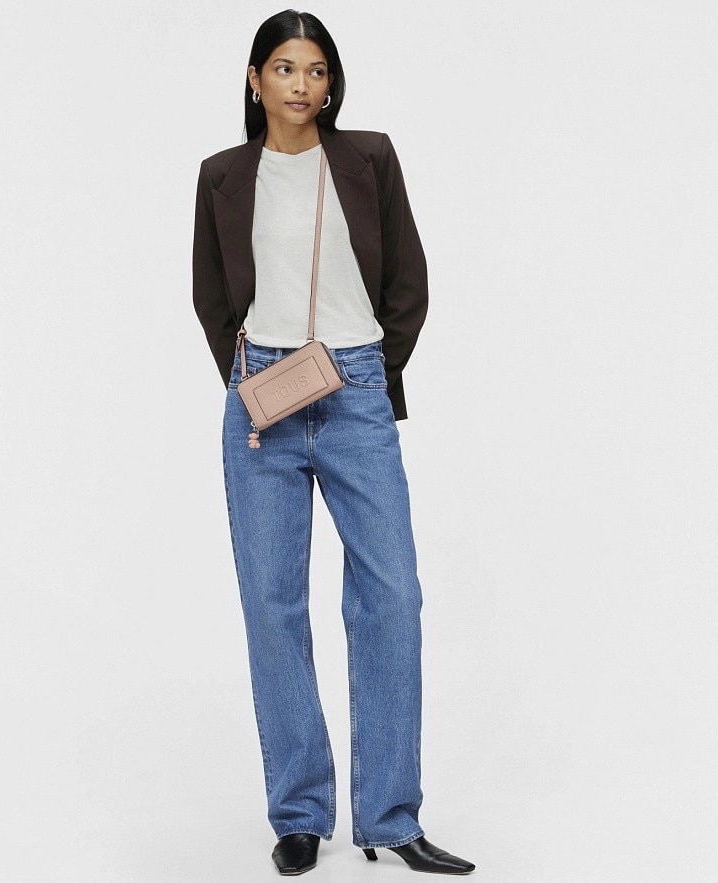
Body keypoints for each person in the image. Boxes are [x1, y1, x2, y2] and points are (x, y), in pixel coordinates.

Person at [192, 9, 476, 877]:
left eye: (316, 70)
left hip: (353, 391)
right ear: (255, 80)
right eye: (285, 68)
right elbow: (210, 297)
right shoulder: (222, 175)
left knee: (392, 597)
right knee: (272, 606)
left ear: (331, 83)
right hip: (262, 403)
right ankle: (299, 814)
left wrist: (368, 372)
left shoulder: (367, 159)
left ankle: (390, 816)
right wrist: (251, 379)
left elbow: (408, 280)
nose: (302, 84)